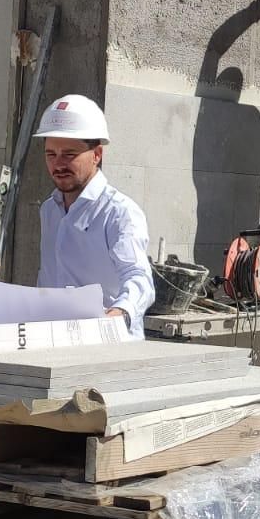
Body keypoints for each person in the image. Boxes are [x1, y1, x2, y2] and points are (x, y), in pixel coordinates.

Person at [32, 94, 155, 337]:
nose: (58, 164)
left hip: (108, 345)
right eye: (51, 154)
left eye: (69, 154)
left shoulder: (119, 212)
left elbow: (139, 277)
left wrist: (119, 313)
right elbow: (48, 280)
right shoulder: (49, 210)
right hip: (57, 342)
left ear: (97, 154)